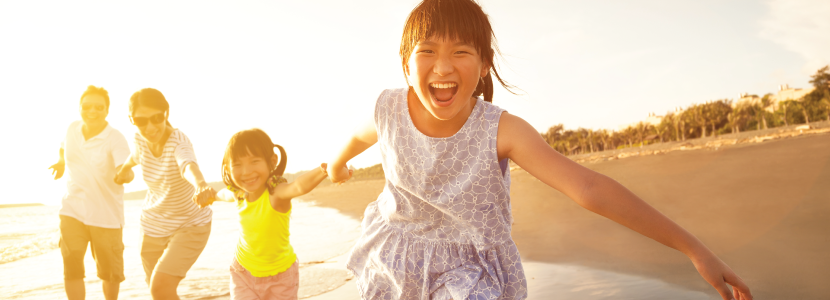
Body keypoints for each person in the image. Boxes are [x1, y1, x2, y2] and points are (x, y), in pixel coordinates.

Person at [325, 1, 753, 299]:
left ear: (484, 63)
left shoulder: (500, 130)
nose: (443, 66)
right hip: (398, 256)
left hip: (469, 272)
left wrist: (694, 248)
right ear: (405, 61)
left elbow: (588, 187)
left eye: (461, 52)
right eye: (427, 51)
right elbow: (357, 139)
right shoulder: (389, 109)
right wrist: (340, 164)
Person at [212, 128, 352, 299]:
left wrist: (325, 169)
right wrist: (209, 196)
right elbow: (221, 194)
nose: (246, 171)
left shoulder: (275, 194)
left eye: (254, 161)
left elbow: (298, 186)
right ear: (227, 168)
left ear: (272, 162)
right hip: (243, 273)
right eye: (237, 165)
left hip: (281, 277)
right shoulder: (239, 194)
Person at [113, 88, 216, 300]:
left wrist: (201, 184)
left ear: (166, 113)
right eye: (142, 121)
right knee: (156, 290)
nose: (150, 127)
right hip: (153, 226)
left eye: (156, 118)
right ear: (132, 120)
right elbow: (134, 157)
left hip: (190, 224)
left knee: (160, 288)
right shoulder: (140, 140)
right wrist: (123, 171)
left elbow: (187, 164)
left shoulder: (179, 143)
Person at [49, 85, 131, 300]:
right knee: (72, 265)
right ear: (79, 108)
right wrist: (60, 163)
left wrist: (123, 176)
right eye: (87, 107)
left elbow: (125, 169)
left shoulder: (115, 138)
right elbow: (63, 147)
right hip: (72, 210)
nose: (92, 111)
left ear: (107, 110)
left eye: (98, 107)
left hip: (106, 217)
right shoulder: (72, 129)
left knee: (110, 273)